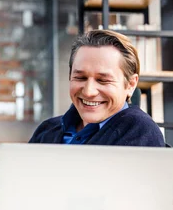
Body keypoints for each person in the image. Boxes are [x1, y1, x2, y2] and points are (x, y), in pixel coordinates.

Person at [29, 29, 165, 147]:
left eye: (103, 80)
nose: (89, 92)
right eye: (80, 78)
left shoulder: (140, 130)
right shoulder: (46, 130)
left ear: (130, 85)